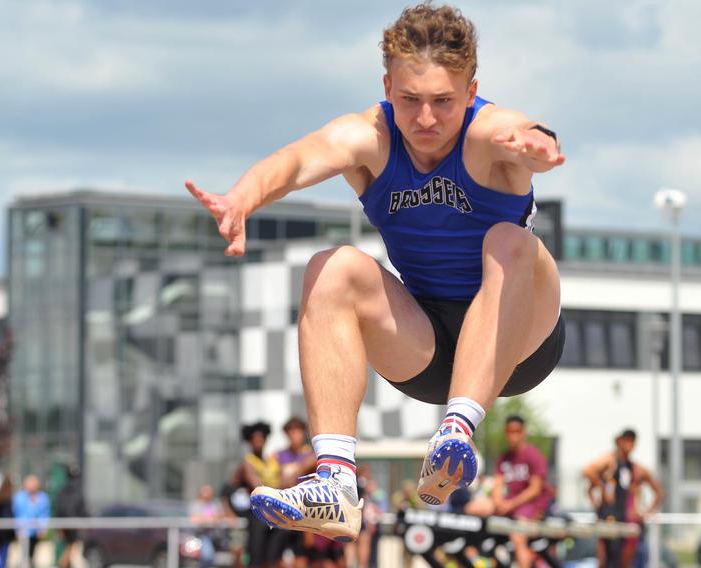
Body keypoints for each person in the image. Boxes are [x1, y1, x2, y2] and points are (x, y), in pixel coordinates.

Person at [186, 2, 565, 544]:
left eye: (444, 102)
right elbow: (296, 160)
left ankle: (457, 432)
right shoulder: (369, 138)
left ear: (471, 90)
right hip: (428, 348)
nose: (427, 120)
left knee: (511, 239)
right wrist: (243, 198)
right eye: (410, 100)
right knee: (331, 268)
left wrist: (540, 147)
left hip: (521, 343)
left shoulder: (488, 136)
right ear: (387, 86)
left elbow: (527, 129)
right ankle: (336, 483)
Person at [582, 429, 664, 568]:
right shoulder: (610, 461)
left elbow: (659, 491)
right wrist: (600, 496)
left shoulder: (635, 469)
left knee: (623, 562)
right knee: (605, 561)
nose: (629, 446)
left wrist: (646, 511)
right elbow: (588, 474)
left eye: (632, 442)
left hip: (628, 520)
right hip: (609, 517)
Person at [488, 415, 553, 568]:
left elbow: (535, 490)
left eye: (517, 431)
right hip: (511, 503)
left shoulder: (533, 455)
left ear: (524, 433)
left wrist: (509, 505)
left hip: (532, 505)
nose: (513, 436)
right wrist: (498, 502)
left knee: (517, 535)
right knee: (476, 508)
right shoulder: (504, 458)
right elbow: (497, 484)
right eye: (509, 432)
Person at [231, 422, 281, 568]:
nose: (258, 443)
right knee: (255, 555)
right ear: (250, 442)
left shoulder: (271, 461)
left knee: (272, 556)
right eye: (255, 440)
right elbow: (257, 485)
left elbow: (283, 479)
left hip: (273, 512)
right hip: (256, 514)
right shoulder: (248, 462)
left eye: (261, 439)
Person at [273, 417, 315, 567]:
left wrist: (293, 472)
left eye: (298, 431)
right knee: (277, 556)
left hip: (304, 513)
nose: (295, 435)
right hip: (282, 513)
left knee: (302, 555)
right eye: (291, 431)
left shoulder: (311, 454)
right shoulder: (277, 456)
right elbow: (273, 481)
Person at [12, 474, 50, 565]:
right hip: (23, 530)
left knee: (32, 553)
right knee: (23, 554)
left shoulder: (43, 497)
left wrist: (42, 528)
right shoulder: (20, 497)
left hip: (35, 531)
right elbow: (17, 513)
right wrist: (18, 529)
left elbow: (44, 514)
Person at [54, 465, 87, 568]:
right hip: (69, 527)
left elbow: (82, 510)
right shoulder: (66, 491)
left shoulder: (75, 491)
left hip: (73, 527)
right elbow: (60, 509)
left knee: (73, 551)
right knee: (73, 553)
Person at [191, 484, 226, 568]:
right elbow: (195, 519)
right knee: (207, 556)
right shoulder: (196, 505)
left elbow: (220, 517)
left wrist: (211, 519)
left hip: (218, 535)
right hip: (202, 535)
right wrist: (210, 520)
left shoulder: (215, 504)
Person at [0, 478, 13, 568]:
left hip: (0, 527)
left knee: (1, 548)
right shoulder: (8, 497)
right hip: (6, 528)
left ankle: (0, 565)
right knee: (4, 549)